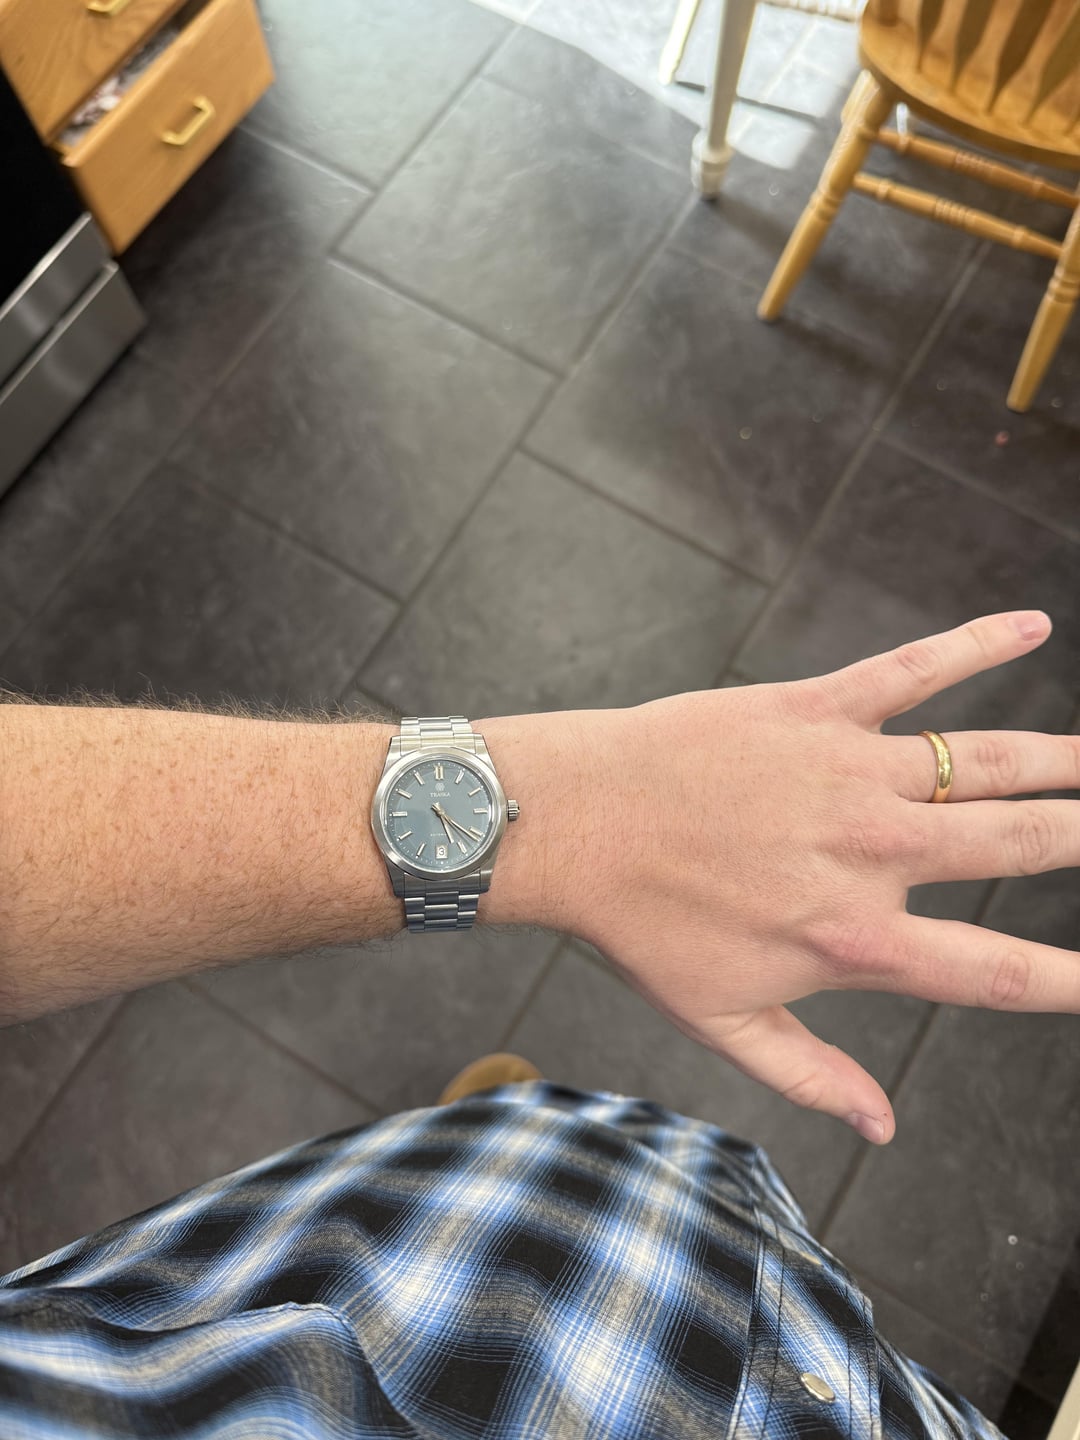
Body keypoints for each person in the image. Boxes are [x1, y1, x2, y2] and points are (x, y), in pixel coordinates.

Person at [0, 609, 1073, 1439]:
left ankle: (504, 1137)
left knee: (593, 1156)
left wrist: (578, 810)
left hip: (462, 1251)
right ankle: (515, 1139)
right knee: (636, 1166)